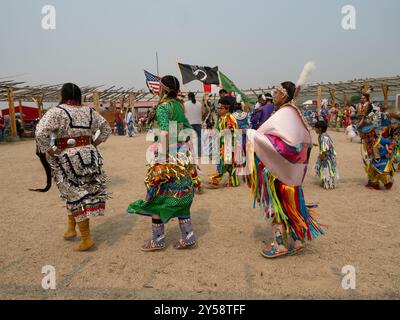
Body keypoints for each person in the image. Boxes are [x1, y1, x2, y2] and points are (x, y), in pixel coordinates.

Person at [246, 73, 324, 258]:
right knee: (292, 206)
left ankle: (280, 245)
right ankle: (297, 240)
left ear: (285, 95)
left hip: (279, 171)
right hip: (292, 172)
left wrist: (252, 135)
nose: (274, 95)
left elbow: (282, 144)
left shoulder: (285, 113)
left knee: (277, 205)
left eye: (277, 92)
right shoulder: (294, 113)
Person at [34, 83, 112, 251]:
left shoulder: (57, 111)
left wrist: (50, 150)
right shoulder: (89, 111)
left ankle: (86, 239)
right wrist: (95, 143)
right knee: (76, 192)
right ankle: (71, 228)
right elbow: (106, 128)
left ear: (63, 94)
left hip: (67, 155)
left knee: (74, 192)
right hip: (90, 155)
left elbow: (40, 132)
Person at [127, 75, 198, 251]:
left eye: (159, 87)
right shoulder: (179, 106)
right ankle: (188, 238)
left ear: (163, 89)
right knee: (181, 195)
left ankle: (157, 241)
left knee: (157, 196)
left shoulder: (163, 107)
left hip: (168, 157)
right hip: (182, 157)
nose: (157, 89)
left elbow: (165, 134)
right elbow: (188, 130)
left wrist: (164, 160)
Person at [207, 96, 240, 188]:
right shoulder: (222, 118)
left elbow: (233, 130)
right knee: (228, 164)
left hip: (229, 145)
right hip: (223, 145)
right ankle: (233, 181)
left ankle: (216, 180)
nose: (219, 110)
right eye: (218, 108)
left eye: (221, 108)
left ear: (227, 108)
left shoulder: (229, 117)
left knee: (226, 164)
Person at [359, 123, 396, 190]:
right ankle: (374, 185)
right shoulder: (367, 143)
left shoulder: (380, 140)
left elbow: (391, 142)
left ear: (372, 134)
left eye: (369, 135)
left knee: (384, 173)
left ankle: (387, 183)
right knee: (372, 173)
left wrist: (390, 148)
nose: (367, 138)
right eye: (366, 136)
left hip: (383, 160)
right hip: (374, 161)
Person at [314, 120, 338, 189]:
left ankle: (329, 183)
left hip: (327, 156)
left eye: (315, 128)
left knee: (327, 169)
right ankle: (325, 181)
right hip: (324, 155)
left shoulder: (324, 137)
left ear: (320, 129)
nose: (314, 129)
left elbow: (327, 147)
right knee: (323, 168)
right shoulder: (321, 136)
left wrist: (322, 155)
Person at [184, 92, 203, 157]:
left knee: (187, 139)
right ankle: (199, 153)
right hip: (198, 123)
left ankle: (188, 153)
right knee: (199, 138)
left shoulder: (185, 104)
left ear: (188, 97)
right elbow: (202, 112)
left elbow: (183, 113)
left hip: (189, 123)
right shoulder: (199, 103)